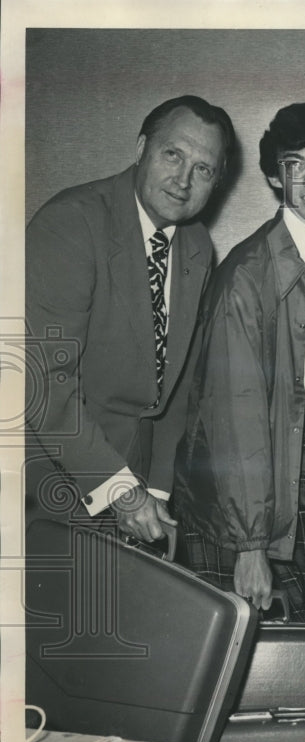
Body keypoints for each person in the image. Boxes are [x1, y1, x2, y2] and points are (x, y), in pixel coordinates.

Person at [173, 103, 305, 626]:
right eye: (295, 165)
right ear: (273, 175)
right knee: (246, 655)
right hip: (243, 481)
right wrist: (250, 544)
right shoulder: (245, 275)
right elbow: (234, 418)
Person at [26, 95, 235, 544]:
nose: (183, 180)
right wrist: (121, 490)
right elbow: (42, 382)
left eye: (203, 169)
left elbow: (173, 389)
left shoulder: (198, 246)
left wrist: (156, 490)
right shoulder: (71, 223)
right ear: (141, 149)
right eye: (172, 154)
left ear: (217, 181)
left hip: (137, 486)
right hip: (54, 475)